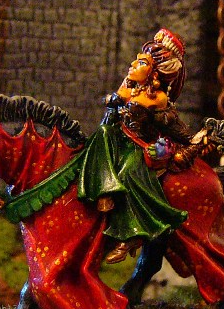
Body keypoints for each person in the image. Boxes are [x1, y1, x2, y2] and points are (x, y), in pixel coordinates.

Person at [77, 29, 200, 263]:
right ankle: (102, 193)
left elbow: (174, 127)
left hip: (139, 145)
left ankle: (131, 234)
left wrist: (196, 140)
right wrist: (113, 100)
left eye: (141, 63)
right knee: (101, 134)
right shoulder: (130, 88)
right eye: (136, 59)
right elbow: (113, 102)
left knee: (128, 172)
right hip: (118, 137)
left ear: (154, 72)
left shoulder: (157, 100)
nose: (133, 64)